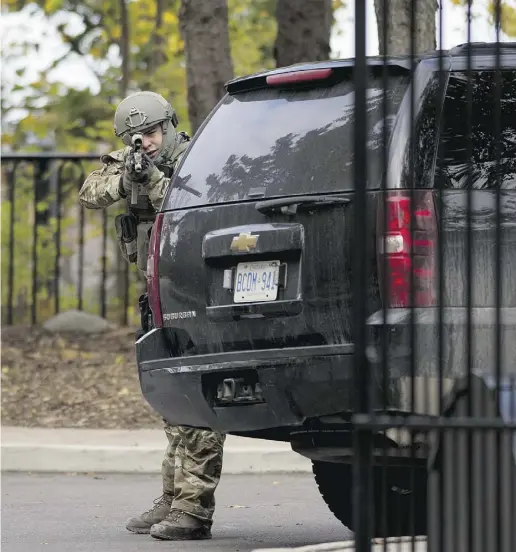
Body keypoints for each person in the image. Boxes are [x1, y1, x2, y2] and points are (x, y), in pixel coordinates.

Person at [79, 91, 226, 541]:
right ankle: (172, 494)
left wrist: (157, 181)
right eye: (136, 137)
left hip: (198, 289)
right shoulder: (130, 159)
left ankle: (193, 507)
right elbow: (90, 192)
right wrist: (128, 178)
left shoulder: (197, 156)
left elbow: (195, 210)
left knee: (197, 394)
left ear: (169, 125)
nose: (146, 142)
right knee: (171, 398)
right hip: (160, 290)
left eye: (151, 133)